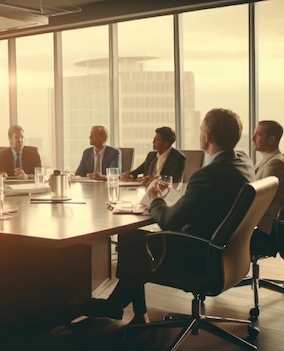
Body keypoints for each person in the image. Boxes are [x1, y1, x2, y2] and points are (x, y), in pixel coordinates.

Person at [80, 108, 255, 324]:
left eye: (201, 130)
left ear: (207, 136)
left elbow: (168, 222)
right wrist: (179, 200)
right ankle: (121, 306)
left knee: (131, 238)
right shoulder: (244, 163)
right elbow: (208, 202)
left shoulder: (207, 175)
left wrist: (155, 198)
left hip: (198, 256)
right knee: (134, 239)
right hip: (229, 254)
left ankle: (119, 306)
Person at [252, 120, 284, 235]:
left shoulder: (276, 163)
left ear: (271, 139)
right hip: (258, 222)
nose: (253, 138)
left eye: (258, 135)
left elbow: (262, 199)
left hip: (262, 226)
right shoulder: (272, 160)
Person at [121, 126, 186, 184]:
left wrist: (154, 179)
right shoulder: (151, 155)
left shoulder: (178, 158)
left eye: (157, 140)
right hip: (147, 192)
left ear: (166, 143)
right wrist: (130, 175)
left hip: (166, 193)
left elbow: (175, 180)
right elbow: (138, 171)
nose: (153, 142)